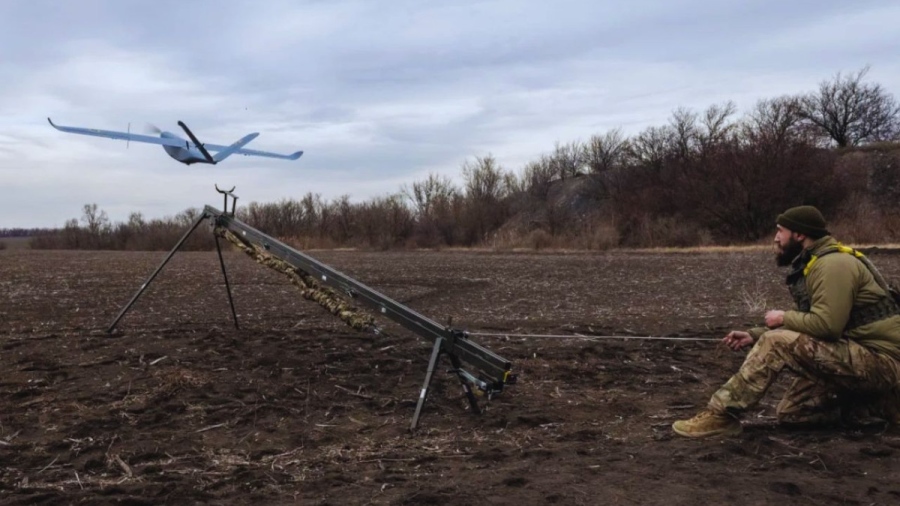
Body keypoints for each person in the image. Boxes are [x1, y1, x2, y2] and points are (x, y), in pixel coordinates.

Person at [672, 205, 900, 438]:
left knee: (776, 341)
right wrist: (755, 334)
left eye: (781, 230)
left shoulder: (834, 265)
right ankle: (879, 404)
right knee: (794, 413)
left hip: (882, 362)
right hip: (861, 357)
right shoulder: (817, 262)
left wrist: (782, 318)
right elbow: (811, 319)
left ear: (799, 234)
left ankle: (721, 416)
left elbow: (828, 326)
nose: (776, 238)